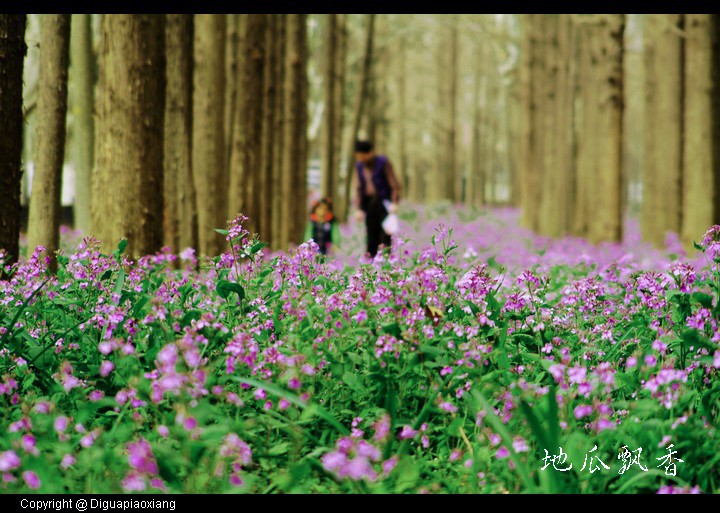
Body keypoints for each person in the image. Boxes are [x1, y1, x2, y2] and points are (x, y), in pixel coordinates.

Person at [352, 140, 402, 258]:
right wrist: (358, 208)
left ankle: (385, 261)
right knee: (371, 234)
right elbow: (359, 188)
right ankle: (371, 262)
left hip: (383, 202)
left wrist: (394, 202)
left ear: (369, 153)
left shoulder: (382, 162)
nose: (360, 159)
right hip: (369, 203)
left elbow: (393, 183)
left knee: (385, 234)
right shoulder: (359, 166)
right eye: (358, 157)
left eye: (361, 156)